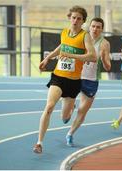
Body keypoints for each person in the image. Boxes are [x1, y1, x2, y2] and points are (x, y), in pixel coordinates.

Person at [33, 6, 96, 153]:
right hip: (58, 77)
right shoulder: (64, 32)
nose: (75, 21)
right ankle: (39, 143)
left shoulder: (84, 36)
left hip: (73, 82)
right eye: (73, 17)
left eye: (79, 18)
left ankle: (70, 108)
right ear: (69, 18)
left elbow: (93, 56)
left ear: (83, 21)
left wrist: (73, 56)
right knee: (49, 107)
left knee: (65, 117)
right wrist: (47, 58)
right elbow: (62, 47)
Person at [65, 17, 111, 146]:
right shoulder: (82, 37)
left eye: (98, 27)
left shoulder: (104, 44)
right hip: (76, 76)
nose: (95, 29)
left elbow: (108, 67)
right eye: (93, 26)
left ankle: (70, 134)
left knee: (82, 111)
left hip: (91, 80)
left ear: (102, 29)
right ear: (89, 27)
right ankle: (69, 108)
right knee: (68, 106)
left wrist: (103, 58)